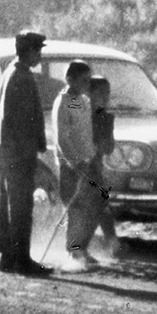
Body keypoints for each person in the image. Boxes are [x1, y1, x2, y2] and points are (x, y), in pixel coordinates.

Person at [0, 29, 51, 275]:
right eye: (38, 51)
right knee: (20, 209)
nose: (39, 55)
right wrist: (33, 147)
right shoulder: (22, 78)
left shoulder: (11, 73)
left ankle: (9, 257)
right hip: (17, 153)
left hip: (7, 152)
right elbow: (23, 121)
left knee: (9, 206)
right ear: (29, 52)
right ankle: (21, 259)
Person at [51, 60, 101, 272]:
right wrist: (74, 162)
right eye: (84, 80)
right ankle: (73, 253)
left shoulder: (81, 101)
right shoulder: (62, 103)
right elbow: (63, 137)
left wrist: (91, 156)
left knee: (90, 207)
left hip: (88, 163)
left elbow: (84, 130)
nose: (87, 84)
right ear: (70, 79)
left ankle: (82, 248)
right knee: (76, 209)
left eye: (89, 80)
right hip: (71, 167)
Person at [88, 75, 121, 256]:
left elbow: (109, 148)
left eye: (107, 93)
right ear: (89, 94)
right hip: (79, 166)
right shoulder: (81, 113)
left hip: (96, 167)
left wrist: (102, 145)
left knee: (101, 202)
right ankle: (81, 245)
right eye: (101, 93)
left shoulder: (106, 118)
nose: (106, 98)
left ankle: (112, 242)